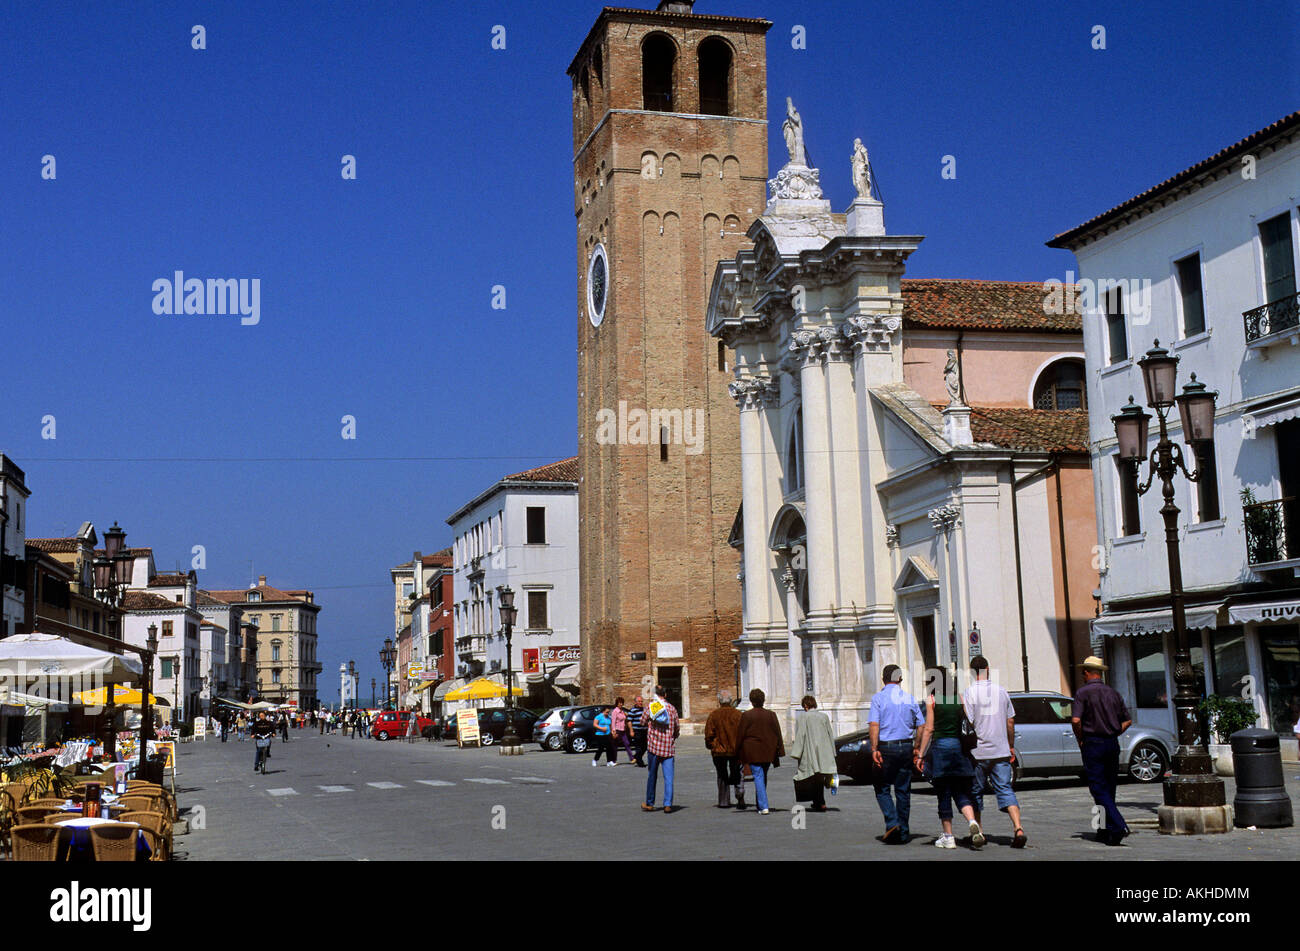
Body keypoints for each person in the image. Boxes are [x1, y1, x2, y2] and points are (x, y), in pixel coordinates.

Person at [962, 654, 1026, 849]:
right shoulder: (1001, 691)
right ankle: (1018, 828)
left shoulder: (969, 693)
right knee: (1005, 789)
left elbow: (969, 722)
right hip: (1001, 750)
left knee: (976, 792)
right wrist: (1011, 745)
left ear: (973, 672)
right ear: (988, 669)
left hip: (979, 751)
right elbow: (1010, 721)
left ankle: (979, 831)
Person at [1072, 656, 1132, 846]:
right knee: (1109, 787)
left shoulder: (1083, 693)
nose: (1082, 675)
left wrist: (1080, 738)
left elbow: (1075, 720)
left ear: (1089, 672)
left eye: (1083, 671)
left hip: (1093, 743)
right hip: (1111, 742)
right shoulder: (1113, 693)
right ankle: (1103, 829)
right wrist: (1114, 731)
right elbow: (1127, 720)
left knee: (1097, 788)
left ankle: (1119, 824)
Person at [915, 674, 978, 849]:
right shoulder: (959, 698)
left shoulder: (932, 700)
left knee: (943, 792)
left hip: (941, 748)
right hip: (958, 747)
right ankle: (973, 821)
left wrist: (920, 754)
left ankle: (948, 836)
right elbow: (967, 722)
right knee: (960, 790)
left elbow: (929, 729)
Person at [868, 664, 924, 844]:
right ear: (900, 679)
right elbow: (921, 725)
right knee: (903, 790)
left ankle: (892, 821)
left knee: (882, 787)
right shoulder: (909, 698)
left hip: (886, 746)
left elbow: (874, 725)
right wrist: (917, 747)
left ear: (883, 679)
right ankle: (904, 832)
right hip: (906, 746)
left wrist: (874, 749)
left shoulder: (878, 699)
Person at [735, 688, 785, 815]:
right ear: (763, 700)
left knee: (758, 776)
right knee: (763, 776)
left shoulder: (746, 715)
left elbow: (740, 735)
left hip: (753, 751)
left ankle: (763, 806)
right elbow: (778, 733)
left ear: (751, 701)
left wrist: (737, 750)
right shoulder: (771, 715)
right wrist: (780, 750)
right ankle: (760, 804)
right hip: (768, 751)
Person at [789, 695, 837, 813]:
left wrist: (796, 753)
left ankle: (820, 802)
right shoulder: (824, 717)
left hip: (809, 750)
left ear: (805, 705)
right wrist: (833, 751)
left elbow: (800, 735)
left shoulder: (803, 717)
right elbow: (830, 734)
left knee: (813, 776)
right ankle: (820, 802)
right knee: (820, 776)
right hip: (824, 750)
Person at [641, 685, 680, 813]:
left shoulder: (651, 706)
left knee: (652, 775)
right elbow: (677, 728)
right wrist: (672, 736)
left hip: (653, 747)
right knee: (668, 778)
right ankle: (668, 804)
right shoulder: (672, 708)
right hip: (668, 748)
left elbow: (642, 722)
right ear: (666, 695)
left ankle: (650, 803)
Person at [704, 692, 743, 808]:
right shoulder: (738, 714)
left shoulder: (714, 715)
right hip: (735, 749)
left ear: (719, 701)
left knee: (721, 774)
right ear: (730, 701)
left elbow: (709, 734)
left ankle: (724, 801)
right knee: (736, 773)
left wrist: (711, 745)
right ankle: (740, 795)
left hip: (719, 750)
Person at [611, 698, 635, 762]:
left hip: (623, 730)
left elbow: (625, 719)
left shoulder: (622, 711)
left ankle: (632, 758)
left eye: (622, 703)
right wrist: (614, 731)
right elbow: (613, 722)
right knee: (615, 746)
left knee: (627, 744)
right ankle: (613, 760)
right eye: (619, 703)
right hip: (617, 730)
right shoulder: (615, 711)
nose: (621, 704)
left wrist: (626, 715)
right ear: (617, 703)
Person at [627, 696, 647, 767]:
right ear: (635, 702)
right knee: (638, 747)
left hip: (644, 730)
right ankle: (640, 762)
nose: (640, 703)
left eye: (641, 701)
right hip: (637, 731)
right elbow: (629, 721)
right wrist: (631, 731)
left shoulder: (645, 709)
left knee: (645, 746)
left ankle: (636, 756)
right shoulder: (632, 710)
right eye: (639, 701)